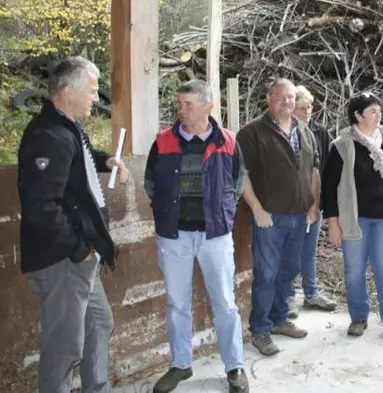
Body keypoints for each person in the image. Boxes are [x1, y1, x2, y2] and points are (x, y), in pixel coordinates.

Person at [17, 56, 129, 393]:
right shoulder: (49, 136)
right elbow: (42, 207)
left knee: (99, 323)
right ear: (67, 91)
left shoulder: (66, 128)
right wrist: (80, 250)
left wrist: (104, 159)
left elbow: (77, 156)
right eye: (92, 92)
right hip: (63, 260)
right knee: (64, 349)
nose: (97, 99)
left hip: (79, 259)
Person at [144, 80, 248, 393]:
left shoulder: (228, 140)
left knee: (225, 302)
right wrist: (166, 211)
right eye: (180, 104)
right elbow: (150, 183)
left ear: (208, 106)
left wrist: (223, 212)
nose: (182, 110)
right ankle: (180, 364)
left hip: (214, 235)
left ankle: (235, 366)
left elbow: (238, 182)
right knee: (177, 303)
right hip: (174, 236)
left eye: (189, 104)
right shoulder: (163, 141)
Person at [237, 78, 320, 356]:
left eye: (291, 97)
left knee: (289, 269)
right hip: (270, 219)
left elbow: (313, 172)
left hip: (299, 215)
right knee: (267, 273)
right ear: (269, 99)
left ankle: (280, 319)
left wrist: (313, 204)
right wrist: (257, 209)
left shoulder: (305, 131)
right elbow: (242, 175)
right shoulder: (252, 133)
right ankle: (260, 330)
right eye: (280, 97)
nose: (287, 101)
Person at [322, 92, 383, 343]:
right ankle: (359, 317)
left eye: (379, 110)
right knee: (354, 270)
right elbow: (329, 187)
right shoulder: (343, 145)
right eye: (372, 111)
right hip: (355, 219)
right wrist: (332, 222)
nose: (378, 114)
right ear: (358, 115)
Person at [285, 85, 337, 317]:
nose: (307, 112)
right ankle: (287, 296)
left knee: (309, 251)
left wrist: (323, 203)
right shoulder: (284, 131)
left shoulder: (320, 131)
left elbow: (326, 169)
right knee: (290, 251)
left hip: (315, 201)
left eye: (309, 108)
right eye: (301, 108)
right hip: (290, 204)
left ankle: (311, 293)